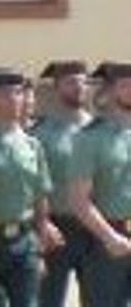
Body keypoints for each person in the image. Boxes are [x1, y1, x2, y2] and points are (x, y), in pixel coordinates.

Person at [0, 68, 56, 307]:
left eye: (18, 93)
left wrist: (40, 249)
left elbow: (41, 197)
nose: (13, 99)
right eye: (5, 94)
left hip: (24, 239)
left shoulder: (32, 146)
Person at [32, 60, 94, 307]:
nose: (78, 87)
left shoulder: (100, 129)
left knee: (99, 297)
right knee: (50, 299)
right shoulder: (41, 133)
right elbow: (35, 185)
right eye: (70, 82)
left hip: (95, 228)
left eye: (83, 82)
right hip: (57, 227)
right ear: (57, 88)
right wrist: (43, 223)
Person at [69, 61, 131, 306]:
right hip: (107, 242)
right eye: (126, 85)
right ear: (111, 91)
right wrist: (110, 238)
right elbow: (78, 199)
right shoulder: (90, 138)